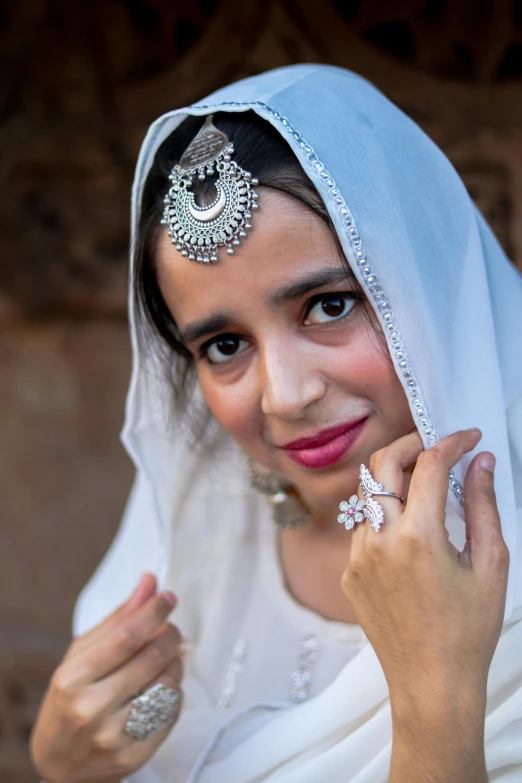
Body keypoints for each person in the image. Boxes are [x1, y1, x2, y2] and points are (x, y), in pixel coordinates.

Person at [30, 64, 522, 783]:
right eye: (224, 346)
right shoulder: (199, 529)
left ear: (429, 281)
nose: (285, 397)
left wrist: (435, 698)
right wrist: (62, 764)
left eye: (328, 305)